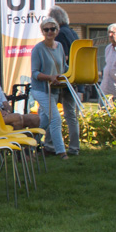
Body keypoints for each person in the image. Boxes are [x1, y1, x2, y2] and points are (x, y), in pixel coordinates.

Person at [30, 17, 68, 158]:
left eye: (52, 29)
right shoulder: (38, 49)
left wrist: (74, 73)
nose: (49, 32)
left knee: (44, 122)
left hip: (54, 90)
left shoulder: (60, 46)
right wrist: (50, 77)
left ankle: (28, 147)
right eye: (46, 29)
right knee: (55, 119)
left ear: (57, 31)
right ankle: (61, 152)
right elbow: (35, 73)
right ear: (42, 31)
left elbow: (64, 67)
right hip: (40, 90)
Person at [48, 5, 81, 155]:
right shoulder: (73, 33)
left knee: (51, 112)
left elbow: (61, 58)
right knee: (71, 114)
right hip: (73, 79)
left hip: (61, 79)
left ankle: (49, 145)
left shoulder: (59, 35)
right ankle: (74, 147)